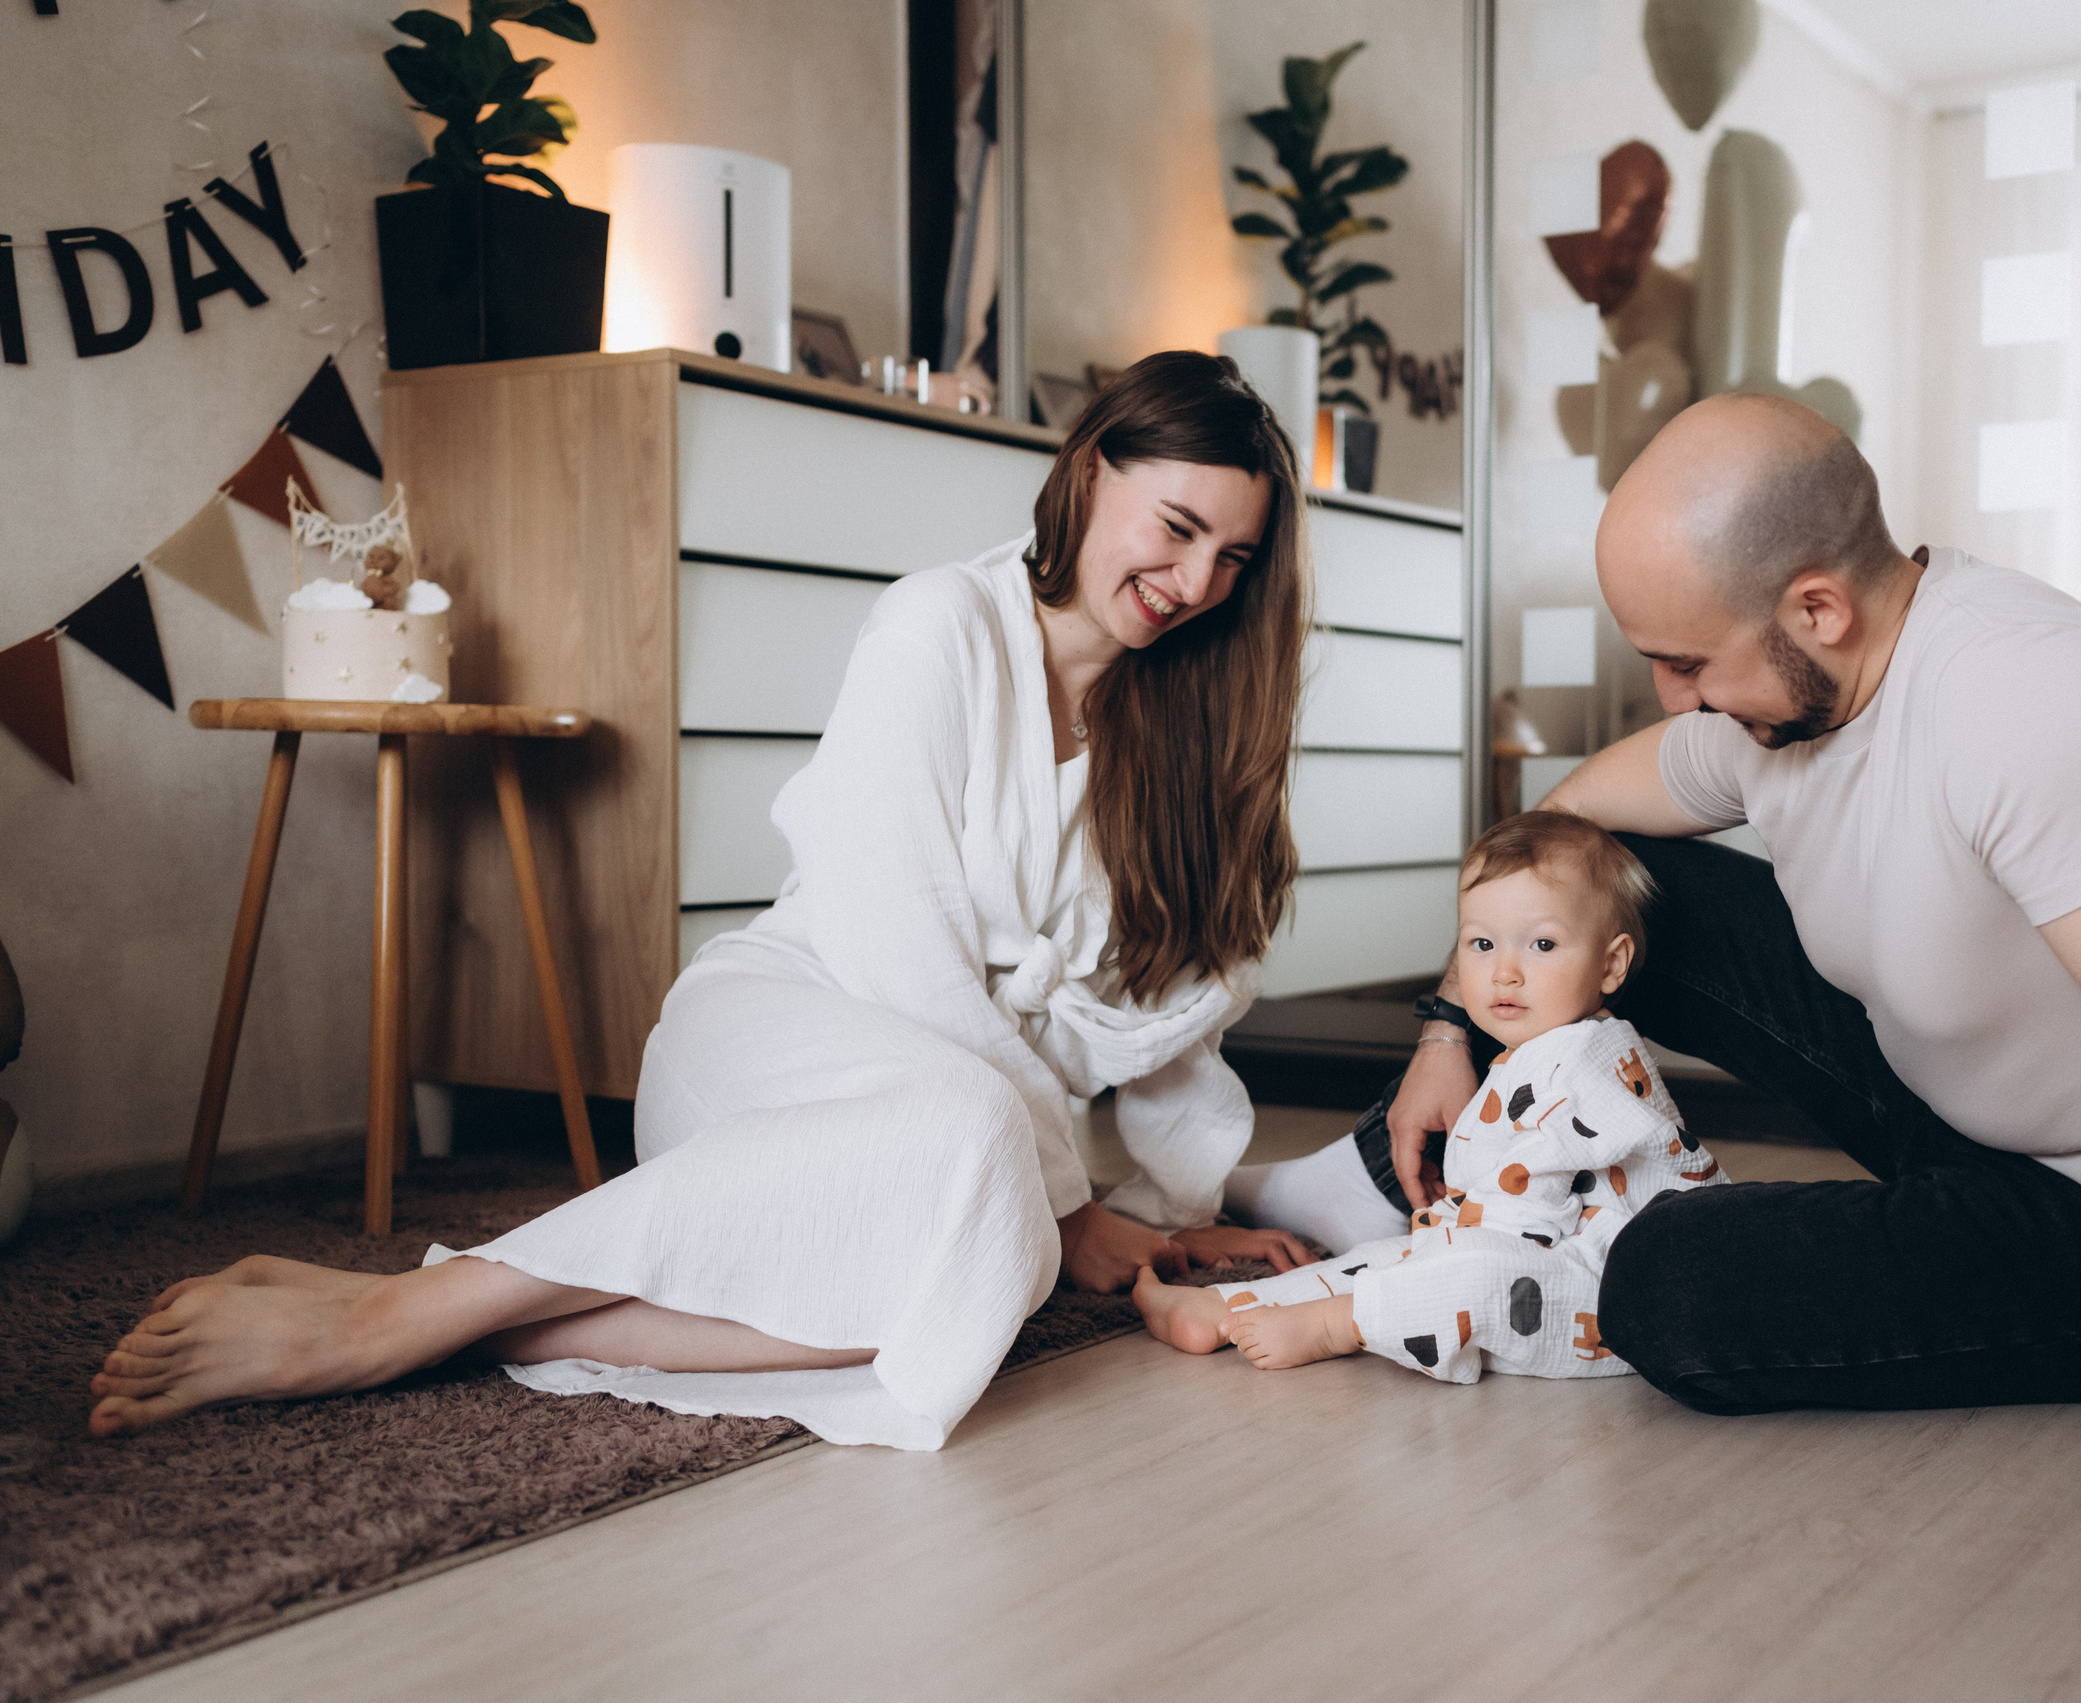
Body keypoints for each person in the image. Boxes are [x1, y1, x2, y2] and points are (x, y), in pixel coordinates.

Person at [1242, 394, 2081, 1590]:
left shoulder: (2041, 705)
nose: (1674, 702)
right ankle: (1411, 1175)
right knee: (1604, 888)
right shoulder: (1789, 700)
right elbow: (1550, 825)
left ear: (1815, 606)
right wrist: (1449, 1028)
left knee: (1664, 1286)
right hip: (1957, 1107)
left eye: (1685, 663)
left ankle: (1524, 1236)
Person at [87, 352, 1316, 1451]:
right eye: (1175, 524)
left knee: (985, 1269)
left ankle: (462, 1322)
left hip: (966, 1127)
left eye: (1233, 558)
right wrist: (1066, 1203)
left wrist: (1161, 1212)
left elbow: (1177, 1008)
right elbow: (901, 951)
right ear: (1092, 469)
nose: (1195, 579)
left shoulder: (1180, 731)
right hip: (789, 1032)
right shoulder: (938, 626)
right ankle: (401, 1308)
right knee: (989, 1174)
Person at [1139, 811, 1727, 1378]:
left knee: (1458, 1269)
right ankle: (1226, 1308)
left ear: (1611, 964)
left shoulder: (1581, 1064)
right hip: (1552, 1253)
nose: (1505, 972)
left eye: (1542, 946)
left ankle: (1333, 1325)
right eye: (1481, 944)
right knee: (1394, 1253)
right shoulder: (1541, 1050)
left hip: (1613, 1294)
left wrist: (1445, 1240)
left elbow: (1524, 1228)